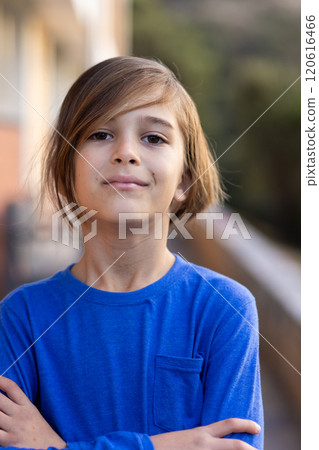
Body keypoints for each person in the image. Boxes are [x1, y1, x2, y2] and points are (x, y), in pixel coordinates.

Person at [0, 56, 263, 450]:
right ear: (67, 170)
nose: (126, 153)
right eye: (101, 135)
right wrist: (171, 445)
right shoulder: (20, 317)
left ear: (185, 179)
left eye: (153, 138)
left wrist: (60, 447)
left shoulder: (225, 309)